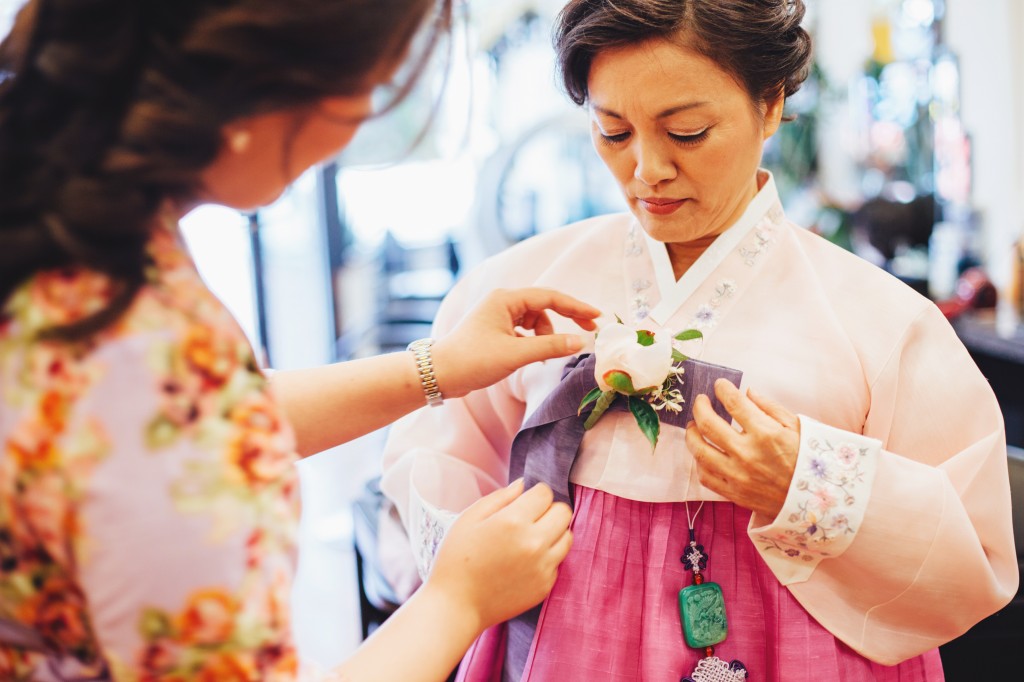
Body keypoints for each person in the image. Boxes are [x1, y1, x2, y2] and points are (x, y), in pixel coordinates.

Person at [379, 1, 1019, 680]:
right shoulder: (522, 288)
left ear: (769, 105)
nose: (646, 170)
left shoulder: (884, 323)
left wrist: (808, 484)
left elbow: (970, 554)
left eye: (686, 132)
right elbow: (441, 463)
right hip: (568, 643)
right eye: (613, 131)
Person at [0, 1, 601, 680]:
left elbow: (168, 425)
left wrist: (438, 369)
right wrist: (456, 601)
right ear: (262, 82)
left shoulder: (65, 237)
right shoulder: (141, 339)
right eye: (364, 88)